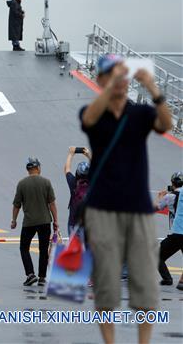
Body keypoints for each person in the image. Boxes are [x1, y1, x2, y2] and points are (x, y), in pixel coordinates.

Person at [80, 55, 172, 344]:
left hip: (139, 210)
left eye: (121, 73)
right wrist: (111, 87)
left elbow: (165, 124)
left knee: (145, 286)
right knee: (106, 286)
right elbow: (88, 120)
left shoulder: (140, 114)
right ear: (100, 79)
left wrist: (153, 88)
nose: (119, 78)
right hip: (102, 210)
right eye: (111, 74)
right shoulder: (93, 113)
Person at [10, 157, 58, 287]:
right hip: (45, 221)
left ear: (28, 169)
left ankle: (30, 274)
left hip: (29, 222)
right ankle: (42, 278)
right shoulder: (46, 182)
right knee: (43, 249)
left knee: (24, 248)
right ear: (38, 168)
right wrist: (55, 221)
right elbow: (52, 203)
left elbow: (16, 205)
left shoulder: (22, 184)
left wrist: (14, 220)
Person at [157, 172, 183, 289]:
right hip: (178, 233)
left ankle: (167, 279)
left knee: (157, 255)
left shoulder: (170, 196)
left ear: (173, 183)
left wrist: (160, 196)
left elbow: (157, 207)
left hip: (176, 233)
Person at [64, 147, 91, 234]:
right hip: (88, 224)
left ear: (77, 172)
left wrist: (71, 154)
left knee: (74, 243)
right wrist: (88, 155)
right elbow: (100, 169)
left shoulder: (73, 183)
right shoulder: (93, 183)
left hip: (73, 223)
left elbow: (67, 169)